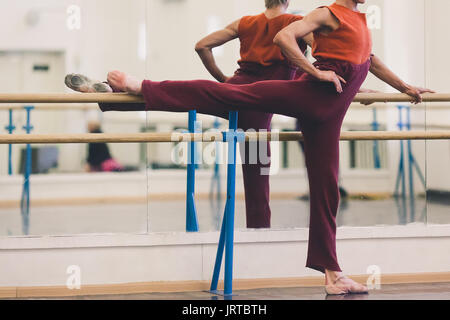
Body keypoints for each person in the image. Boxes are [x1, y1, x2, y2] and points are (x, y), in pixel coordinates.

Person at [66, 0, 434, 295]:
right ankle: (137, 85)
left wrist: (406, 88)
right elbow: (286, 40)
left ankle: (332, 274)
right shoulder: (327, 12)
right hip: (307, 95)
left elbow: (368, 62)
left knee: (327, 192)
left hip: (328, 111)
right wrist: (317, 72)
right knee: (226, 99)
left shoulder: (360, 19)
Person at [67, 0, 307, 229]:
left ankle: (112, 96)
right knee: (257, 185)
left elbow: (202, 46)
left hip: (233, 91)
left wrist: (225, 83)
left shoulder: (246, 22)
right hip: (258, 109)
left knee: (180, 96)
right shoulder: (296, 23)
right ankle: (260, 236)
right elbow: (318, 57)